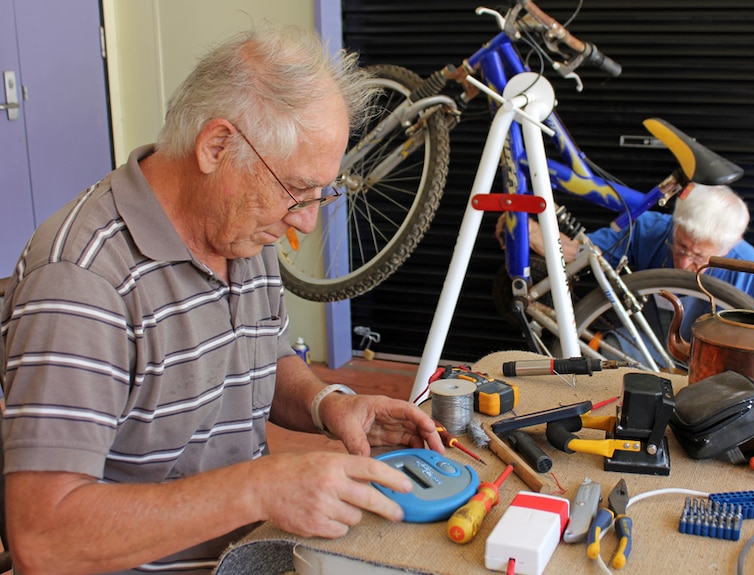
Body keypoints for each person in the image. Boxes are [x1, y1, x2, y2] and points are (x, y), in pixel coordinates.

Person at [0, 25, 444, 575]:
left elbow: (262, 358)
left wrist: (330, 404)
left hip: (245, 553)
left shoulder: (241, 230)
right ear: (217, 147)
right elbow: (44, 540)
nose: (305, 220)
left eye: (318, 195)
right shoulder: (81, 279)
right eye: (296, 191)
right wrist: (261, 487)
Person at [497, 183, 754, 310]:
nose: (684, 263)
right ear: (675, 225)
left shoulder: (748, 270)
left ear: (728, 247)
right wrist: (530, 230)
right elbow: (582, 255)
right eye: (680, 246)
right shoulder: (650, 228)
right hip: (639, 349)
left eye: (699, 256)